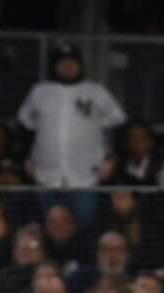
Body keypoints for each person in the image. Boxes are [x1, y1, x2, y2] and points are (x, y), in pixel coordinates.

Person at [18, 41, 126, 190]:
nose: (68, 67)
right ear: (54, 66)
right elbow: (24, 122)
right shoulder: (40, 91)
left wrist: (110, 158)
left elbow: (119, 120)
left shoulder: (95, 90)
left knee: (84, 214)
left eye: (72, 62)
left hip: (87, 176)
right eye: (62, 63)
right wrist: (26, 157)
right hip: (46, 174)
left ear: (80, 65)